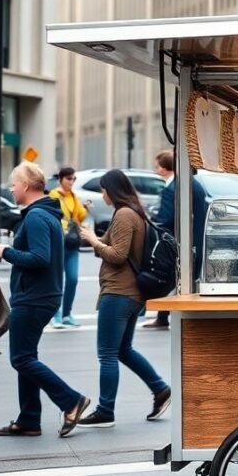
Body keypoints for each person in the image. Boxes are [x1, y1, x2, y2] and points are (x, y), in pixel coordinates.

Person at [0, 162, 91, 438]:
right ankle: (29, 419)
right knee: (27, 356)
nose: (11, 189)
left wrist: (6, 252)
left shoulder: (36, 217)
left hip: (33, 297)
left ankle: (71, 400)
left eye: (13, 184)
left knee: (21, 358)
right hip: (42, 296)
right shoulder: (47, 213)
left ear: (25, 185)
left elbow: (40, 258)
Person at [78, 170, 171, 427]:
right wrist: (93, 237)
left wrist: (92, 242)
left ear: (112, 190)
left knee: (107, 353)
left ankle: (105, 411)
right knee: (123, 350)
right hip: (132, 294)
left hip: (119, 293)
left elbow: (117, 255)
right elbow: (108, 245)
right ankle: (161, 389)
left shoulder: (124, 214)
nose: (102, 194)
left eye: (103, 189)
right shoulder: (133, 212)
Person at [144, 149, 208, 330]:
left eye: (157, 166)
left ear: (164, 169)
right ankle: (163, 316)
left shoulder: (172, 188)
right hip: (195, 239)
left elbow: (166, 220)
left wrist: (151, 224)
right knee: (179, 279)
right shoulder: (191, 183)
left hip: (179, 242)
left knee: (171, 278)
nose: (156, 170)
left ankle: (165, 315)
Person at [49, 166, 88, 328]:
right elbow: (54, 214)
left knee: (72, 279)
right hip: (59, 242)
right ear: (61, 180)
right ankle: (56, 315)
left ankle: (67, 314)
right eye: (68, 179)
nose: (71, 182)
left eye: (73, 179)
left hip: (72, 242)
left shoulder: (74, 196)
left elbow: (80, 216)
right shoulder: (53, 195)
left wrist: (85, 208)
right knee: (57, 280)